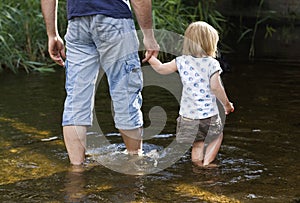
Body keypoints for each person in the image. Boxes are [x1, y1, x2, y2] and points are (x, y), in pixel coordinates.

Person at [41, 0, 159, 165]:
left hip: (77, 22)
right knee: (124, 92)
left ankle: (76, 171)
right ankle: (134, 161)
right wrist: (148, 35)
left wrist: (52, 33)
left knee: (76, 100)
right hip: (114, 18)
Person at [146, 21, 234, 167]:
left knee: (197, 143)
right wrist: (226, 104)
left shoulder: (181, 61)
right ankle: (206, 163)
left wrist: (151, 58)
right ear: (210, 43)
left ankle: (197, 166)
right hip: (208, 116)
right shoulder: (212, 64)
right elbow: (216, 87)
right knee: (217, 135)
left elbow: (161, 69)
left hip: (188, 117)